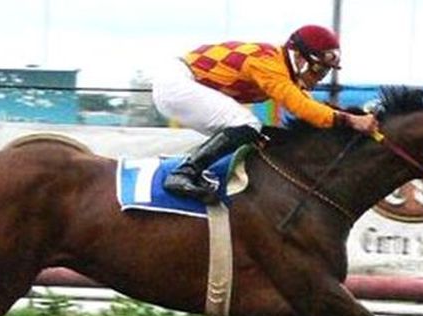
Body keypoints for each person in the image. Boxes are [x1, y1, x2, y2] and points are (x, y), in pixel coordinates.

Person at [152, 25, 379, 204]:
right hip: (176, 83)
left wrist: (350, 118)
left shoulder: (282, 67)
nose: (321, 77)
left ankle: (195, 172)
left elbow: (313, 108)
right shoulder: (269, 64)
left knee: (255, 135)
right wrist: (352, 120)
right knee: (246, 124)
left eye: (326, 71)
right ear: (300, 58)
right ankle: (182, 174)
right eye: (319, 69)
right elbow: (302, 108)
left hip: (181, 83)